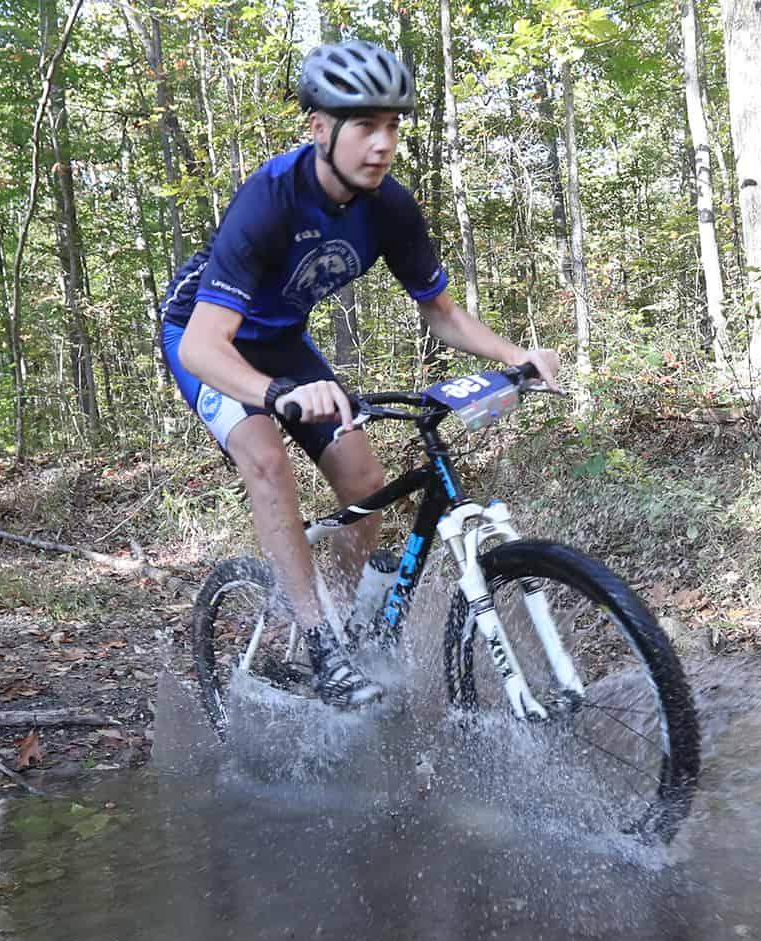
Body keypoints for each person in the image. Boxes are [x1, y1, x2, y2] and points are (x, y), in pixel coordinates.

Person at [160, 39, 561, 710]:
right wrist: (276, 395)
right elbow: (204, 346)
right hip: (205, 338)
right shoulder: (269, 200)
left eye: (393, 126)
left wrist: (515, 355)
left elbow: (441, 312)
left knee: (366, 483)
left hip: (281, 340)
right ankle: (317, 641)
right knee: (266, 460)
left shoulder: (390, 208)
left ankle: (341, 621)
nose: (383, 143)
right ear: (320, 128)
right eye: (366, 126)